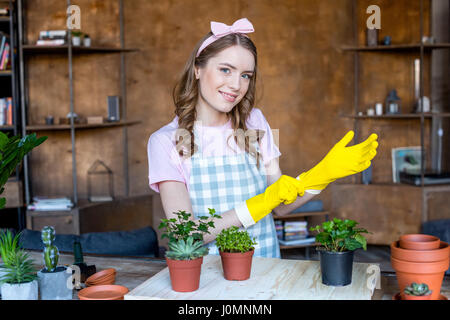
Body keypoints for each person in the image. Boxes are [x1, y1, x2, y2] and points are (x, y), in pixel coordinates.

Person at [147, 18, 378, 258]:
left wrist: (322, 174)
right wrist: (257, 205)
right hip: (208, 278)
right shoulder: (165, 141)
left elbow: (281, 206)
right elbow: (186, 234)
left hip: (267, 268)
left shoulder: (254, 123)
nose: (236, 85)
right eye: (225, 70)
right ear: (197, 69)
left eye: (246, 75)